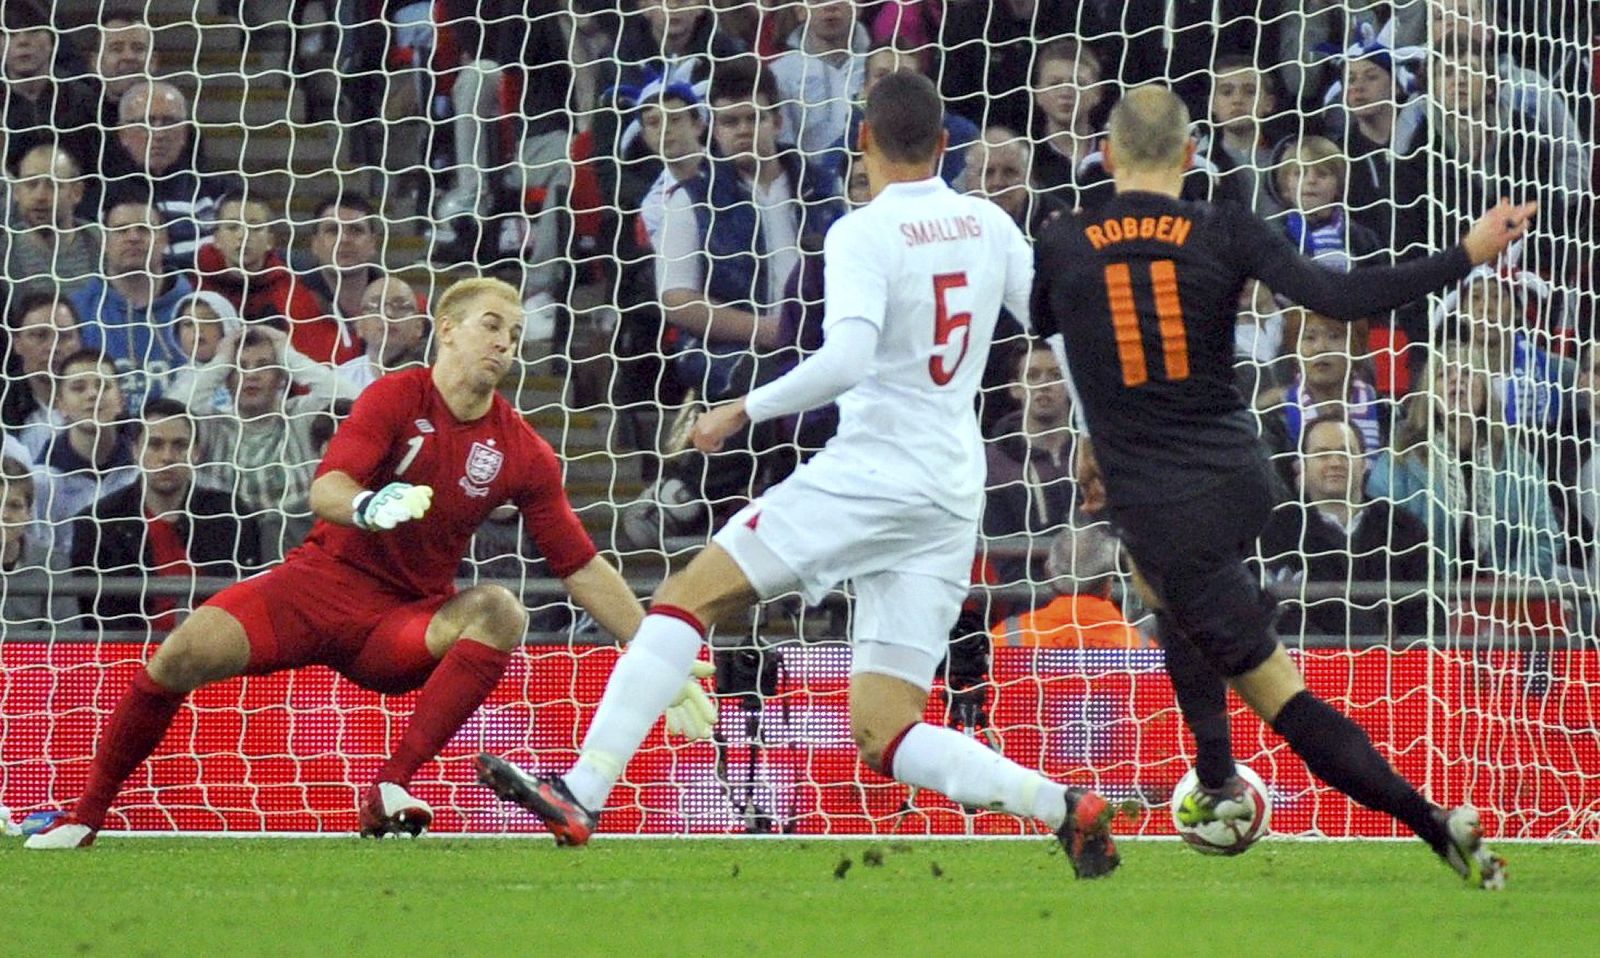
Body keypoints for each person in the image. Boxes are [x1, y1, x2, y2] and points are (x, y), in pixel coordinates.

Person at [476, 71, 1123, 879]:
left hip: (872, 474)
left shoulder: (861, 232)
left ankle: (583, 787)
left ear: (864, 141)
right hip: (952, 494)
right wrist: (1096, 434)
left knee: (684, 599)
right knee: (885, 728)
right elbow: (1060, 328)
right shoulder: (989, 221)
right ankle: (1064, 806)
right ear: (947, 146)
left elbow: (847, 358)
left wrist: (738, 408)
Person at [1036, 84, 1532, 888]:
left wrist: (1095, 432)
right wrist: (1465, 253)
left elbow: (1057, 334)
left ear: (1106, 155)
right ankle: (1220, 777)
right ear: (1193, 155)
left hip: (1162, 493)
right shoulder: (1226, 223)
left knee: (1275, 692)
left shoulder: (1062, 240)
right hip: (1244, 472)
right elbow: (1339, 296)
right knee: (1168, 592)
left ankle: (1432, 824)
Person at [24, 277, 716, 850]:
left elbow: (580, 562)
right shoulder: (394, 396)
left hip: (401, 627)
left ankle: (391, 784)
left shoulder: (523, 450)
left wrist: (654, 650)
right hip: (314, 588)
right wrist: (366, 508)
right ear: (446, 329)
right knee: (176, 657)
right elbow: (327, 486)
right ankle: (86, 816)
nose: (503, 342)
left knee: (501, 609)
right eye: (489, 325)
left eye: (512, 333)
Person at [69, 399, 261, 633]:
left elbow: (249, 601)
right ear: (136, 451)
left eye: (180, 445)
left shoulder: (231, 515)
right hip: (130, 656)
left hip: (217, 651)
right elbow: (97, 618)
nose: (167, 457)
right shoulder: (98, 523)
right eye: (155, 445)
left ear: (197, 453)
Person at [1257, 416, 1430, 638]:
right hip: (1303, 665)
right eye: (1322, 454)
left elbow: (1424, 616)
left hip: (1392, 664)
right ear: (1301, 466)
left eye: (1345, 452)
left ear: (1365, 462)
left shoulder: (1405, 528)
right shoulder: (1274, 529)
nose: (1335, 462)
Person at [70, 197, 196, 409]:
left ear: (164, 238)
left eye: (144, 229)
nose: (134, 238)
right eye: (121, 230)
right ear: (104, 241)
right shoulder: (77, 310)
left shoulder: (199, 308)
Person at [105, 80, 241, 271]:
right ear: (122, 134)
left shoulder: (221, 192)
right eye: (147, 122)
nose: (159, 133)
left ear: (185, 133)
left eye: (169, 122)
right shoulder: (102, 197)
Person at [988, 524, 1150, 649]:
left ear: (1049, 573)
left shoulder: (1006, 638)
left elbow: (978, 690)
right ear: (1109, 581)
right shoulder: (1142, 650)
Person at [1, 145, 105, 308]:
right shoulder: (3, 254)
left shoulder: (105, 245)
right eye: (31, 184)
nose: (40, 196)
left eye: (53, 185)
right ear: (16, 192)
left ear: (76, 192)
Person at [2, 294, 84, 460]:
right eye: (40, 335)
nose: (53, 347)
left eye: (65, 336)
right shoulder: (4, 405)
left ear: (80, 341)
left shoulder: (102, 398)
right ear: (17, 343)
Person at [337, 274, 431, 393]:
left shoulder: (436, 380)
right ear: (359, 325)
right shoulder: (339, 380)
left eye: (400, 306)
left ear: (419, 327)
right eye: (375, 306)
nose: (388, 314)